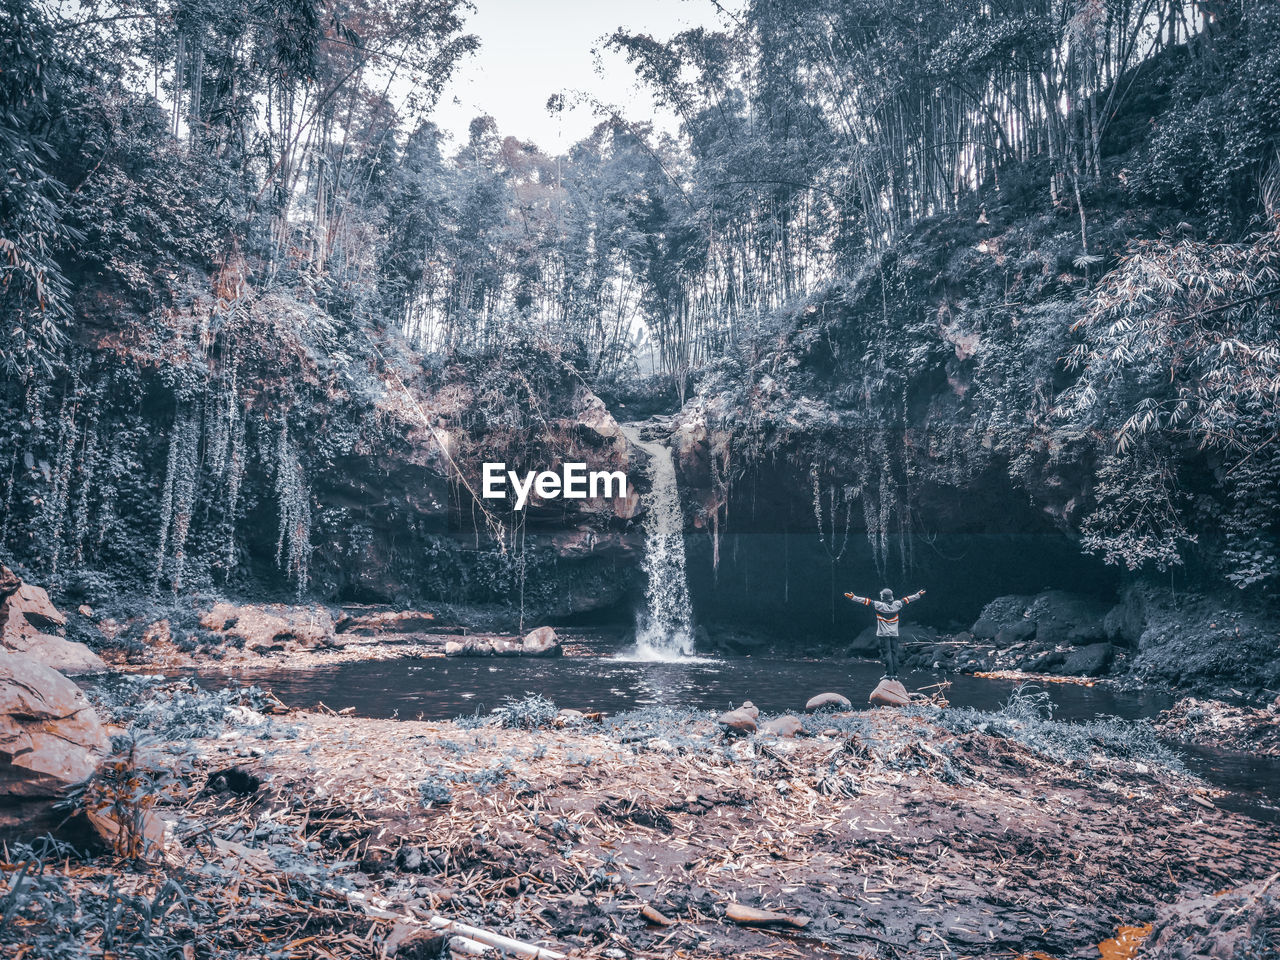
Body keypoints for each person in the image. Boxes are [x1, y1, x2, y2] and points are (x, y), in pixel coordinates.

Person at [844, 587, 926, 680]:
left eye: (881, 596)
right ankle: (895, 674)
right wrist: (918, 595)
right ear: (891, 597)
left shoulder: (879, 605)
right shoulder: (897, 604)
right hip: (894, 634)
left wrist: (853, 597)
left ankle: (888, 674)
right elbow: (907, 599)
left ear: (883, 597)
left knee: (887, 654)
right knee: (894, 654)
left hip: (883, 634)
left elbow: (866, 601)